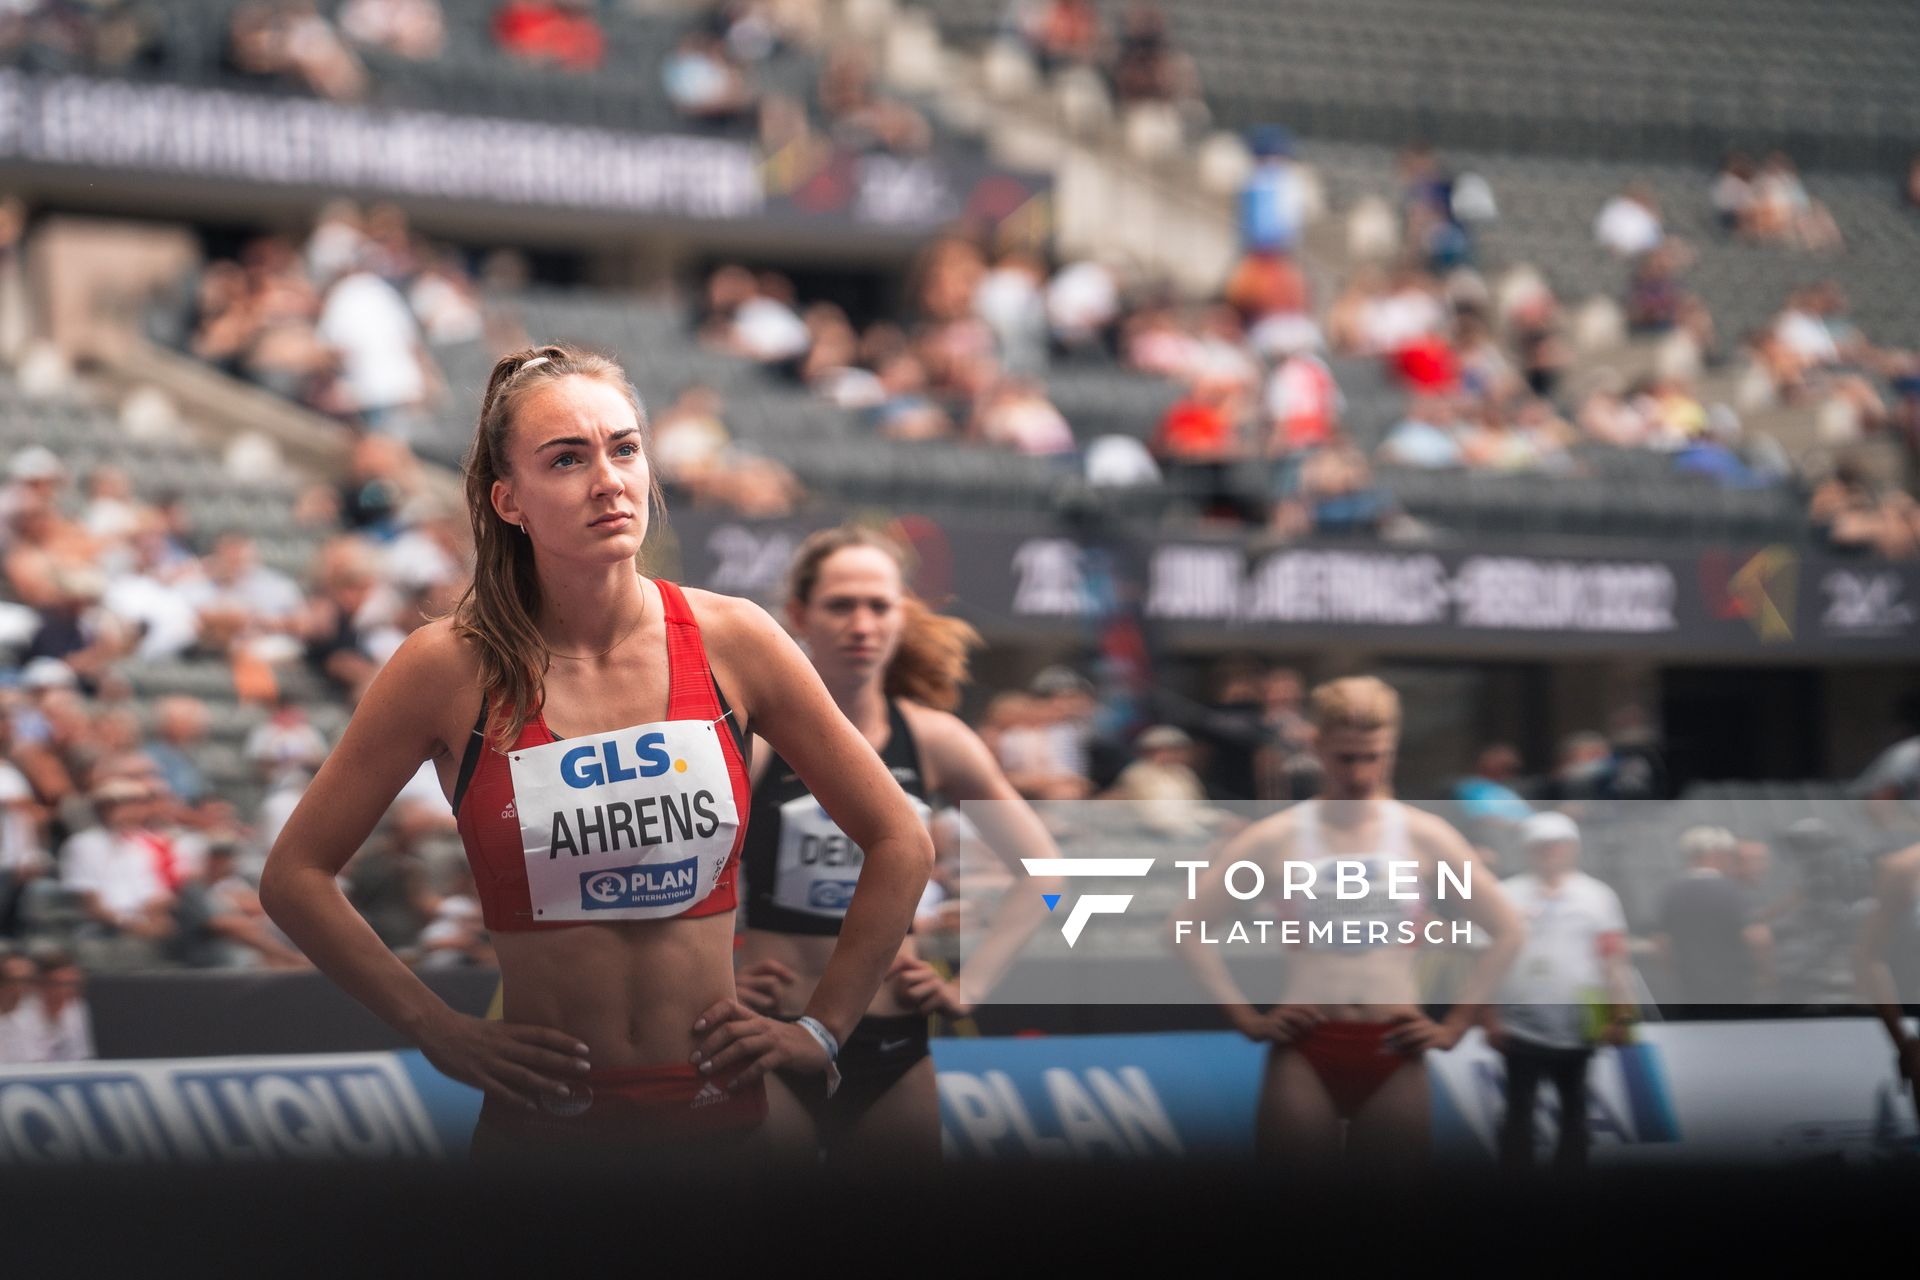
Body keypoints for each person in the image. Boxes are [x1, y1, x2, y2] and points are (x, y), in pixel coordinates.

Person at [261, 345, 933, 1161]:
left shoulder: (737, 639)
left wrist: (824, 1031)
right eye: (567, 459)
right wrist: (437, 1029)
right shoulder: (445, 667)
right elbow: (294, 875)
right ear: (509, 500)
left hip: (728, 1134)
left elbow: (901, 839)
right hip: (546, 1144)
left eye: (624, 448)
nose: (609, 480)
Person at [734, 525, 1055, 1167]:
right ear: (798, 615)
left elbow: (1046, 878)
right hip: (774, 1037)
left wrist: (972, 986)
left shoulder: (935, 740)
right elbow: (676, 874)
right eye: (839, 604)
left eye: (879, 606)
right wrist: (715, 983)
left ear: (903, 613)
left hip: (892, 1044)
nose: (862, 624)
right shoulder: (759, 740)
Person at [1179, 676, 1523, 1170]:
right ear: (1317, 747)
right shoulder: (1275, 837)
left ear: (1392, 750)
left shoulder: (1426, 835)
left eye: (1373, 756)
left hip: (1392, 1045)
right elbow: (1184, 928)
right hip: (1306, 1047)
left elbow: (1507, 930)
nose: (1360, 772)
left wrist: (1455, 1026)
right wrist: (1247, 1019)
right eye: (1345, 757)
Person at [1485, 812, 1633, 1170]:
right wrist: (1488, 1016)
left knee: (1575, 1112)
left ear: (1572, 848)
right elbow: (1486, 959)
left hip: (1579, 1023)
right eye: (1540, 846)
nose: (1549, 852)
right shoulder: (1504, 895)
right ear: (1527, 850)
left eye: (1557, 845)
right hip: (1519, 1023)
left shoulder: (1598, 896)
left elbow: (1613, 959)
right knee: (1518, 1110)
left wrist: (1622, 1015)